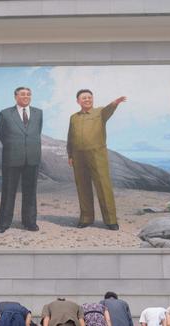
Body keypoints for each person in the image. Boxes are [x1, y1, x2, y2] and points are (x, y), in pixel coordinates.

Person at [67, 90, 126, 231]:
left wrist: (114, 103)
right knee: (83, 187)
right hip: (78, 156)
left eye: (89, 97)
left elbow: (108, 110)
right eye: (83, 98)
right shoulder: (73, 117)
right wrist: (70, 155)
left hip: (97, 154)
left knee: (103, 186)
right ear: (78, 101)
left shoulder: (100, 112)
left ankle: (111, 220)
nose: (87, 100)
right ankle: (86, 218)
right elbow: (70, 137)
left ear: (92, 99)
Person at [0, 86, 43, 233]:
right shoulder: (5, 113)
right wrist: (14, 146)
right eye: (22, 94)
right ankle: (3, 223)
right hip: (12, 157)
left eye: (28, 94)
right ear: (15, 96)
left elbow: (36, 132)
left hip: (32, 158)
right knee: (8, 191)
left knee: (30, 192)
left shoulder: (38, 113)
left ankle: (29, 222)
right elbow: (1, 133)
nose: (26, 96)